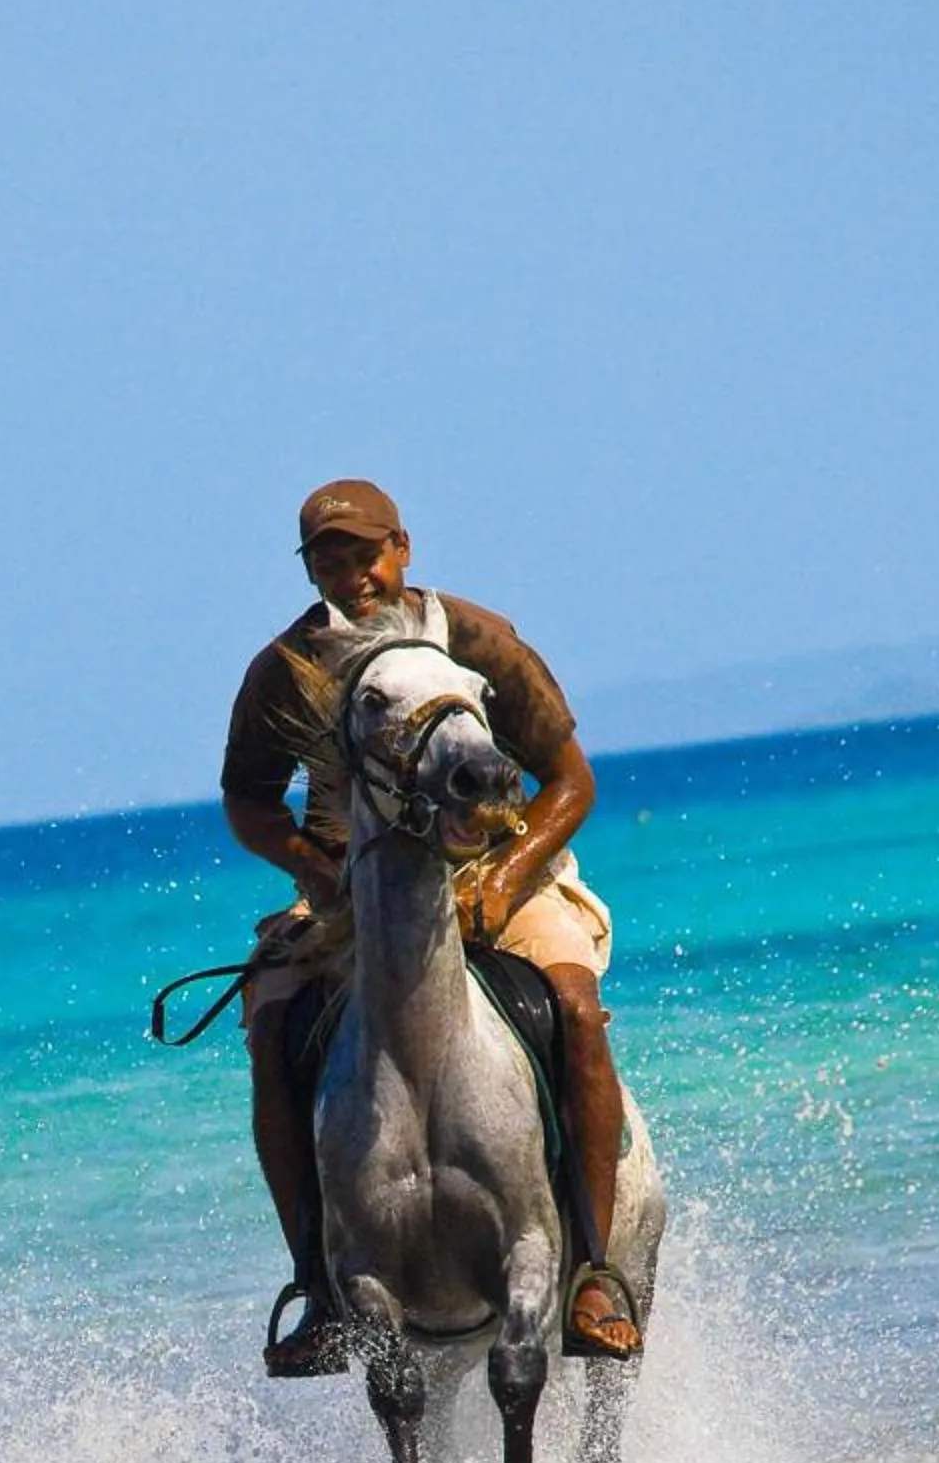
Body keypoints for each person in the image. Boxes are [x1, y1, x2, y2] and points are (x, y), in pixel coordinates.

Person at [220, 479, 644, 1374]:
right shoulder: (288, 667)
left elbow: (571, 779)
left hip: (501, 872)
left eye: (364, 554)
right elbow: (246, 802)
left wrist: (505, 876)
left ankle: (595, 1269)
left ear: (402, 547)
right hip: (351, 886)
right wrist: (319, 872)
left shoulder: (476, 639)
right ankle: (319, 1286)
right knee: (271, 1027)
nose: (351, 574)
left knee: (572, 1005)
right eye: (327, 560)